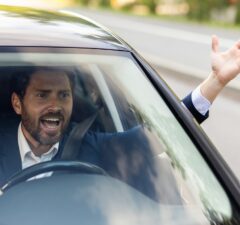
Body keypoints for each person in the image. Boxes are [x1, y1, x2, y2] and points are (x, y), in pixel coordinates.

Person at [0, 36, 239, 199]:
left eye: (64, 95)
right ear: (17, 103)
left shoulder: (92, 146)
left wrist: (215, 83)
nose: (55, 105)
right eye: (43, 95)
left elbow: (164, 133)